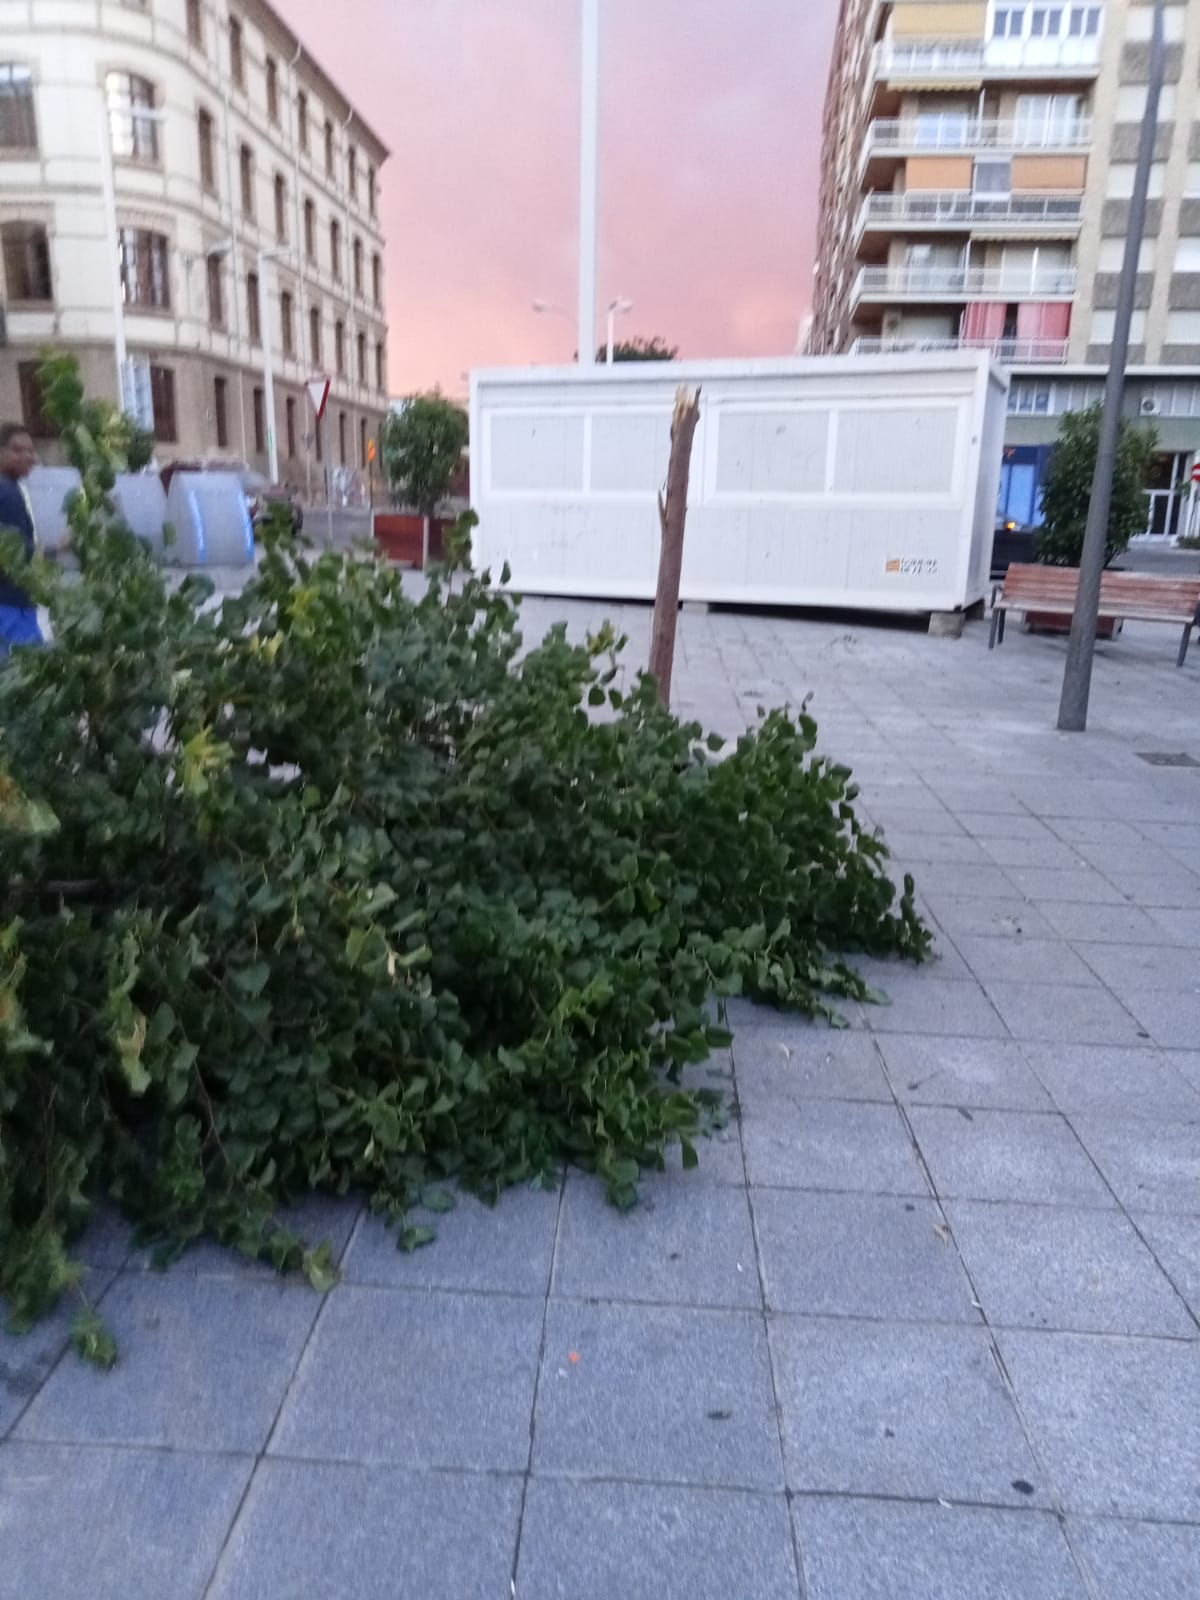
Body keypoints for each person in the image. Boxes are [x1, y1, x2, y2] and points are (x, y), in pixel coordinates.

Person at [0, 422, 42, 656]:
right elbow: (14, 552)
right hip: (11, 606)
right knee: (31, 674)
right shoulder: (6, 492)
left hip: (11, 605)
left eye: (30, 450)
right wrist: (54, 552)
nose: (27, 456)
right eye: (17, 450)